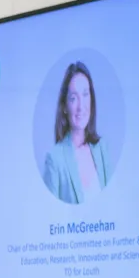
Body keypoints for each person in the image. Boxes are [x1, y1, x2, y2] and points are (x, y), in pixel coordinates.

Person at [42, 61, 111, 204]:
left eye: (85, 94)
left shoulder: (102, 148)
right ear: (65, 107)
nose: (81, 106)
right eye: (73, 98)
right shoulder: (54, 160)